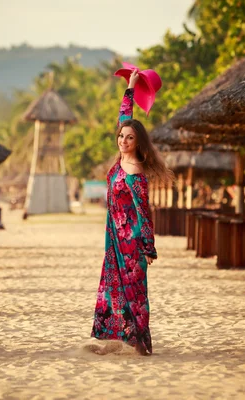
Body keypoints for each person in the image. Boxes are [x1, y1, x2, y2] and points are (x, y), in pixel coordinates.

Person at [90, 70, 172, 356]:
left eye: (129, 138)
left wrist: (149, 248)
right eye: (121, 136)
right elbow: (124, 117)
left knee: (135, 294)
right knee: (112, 289)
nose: (123, 140)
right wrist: (131, 87)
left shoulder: (136, 173)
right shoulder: (119, 160)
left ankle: (140, 345)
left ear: (138, 142)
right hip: (113, 240)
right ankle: (116, 340)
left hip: (132, 243)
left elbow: (144, 213)